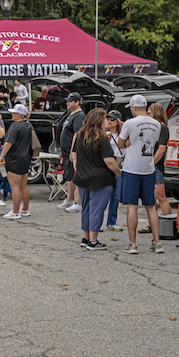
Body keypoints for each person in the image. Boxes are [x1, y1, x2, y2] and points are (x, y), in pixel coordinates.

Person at [118, 94, 164, 254]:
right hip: (148, 168)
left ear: (133, 107)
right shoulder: (156, 124)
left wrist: (128, 142)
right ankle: (157, 242)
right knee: (151, 206)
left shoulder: (130, 123)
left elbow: (120, 143)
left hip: (132, 167)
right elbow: (154, 142)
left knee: (132, 206)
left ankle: (132, 244)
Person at [72, 108, 122, 249]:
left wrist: (77, 170)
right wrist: (118, 172)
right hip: (100, 178)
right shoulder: (101, 138)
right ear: (99, 120)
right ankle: (93, 241)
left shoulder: (80, 136)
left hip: (82, 177)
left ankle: (85, 237)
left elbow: (74, 155)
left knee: (86, 208)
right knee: (97, 210)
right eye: (105, 118)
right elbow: (109, 160)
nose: (107, 121)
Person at [0, 104, 40, 219]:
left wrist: (2, 156)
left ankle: (15, 211)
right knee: (23, 186)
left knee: (15, 186)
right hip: (26, 157)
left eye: (14, 113)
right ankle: (25, 209)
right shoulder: (28, 125)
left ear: (19, 114)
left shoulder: (15, 126)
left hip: (14, 158)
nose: (12, 114)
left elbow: (8, 143)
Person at [138, 103, 170, 233]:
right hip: (148, 165)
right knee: (150, 198)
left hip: (155, 166)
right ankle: (152, 224)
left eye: (149, 112)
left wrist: (151, 163)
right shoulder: (151, 127)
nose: (147, 114)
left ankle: (168, 225)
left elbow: (162, 148)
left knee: (160, 196)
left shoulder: (162, 128)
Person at [57, 92, 85, 213]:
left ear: (77, 102)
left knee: (75, 174)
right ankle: (70, 198)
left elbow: (77, 134)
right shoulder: (70, 114)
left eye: (70, 101)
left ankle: (78, 202)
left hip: (72, 150)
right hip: (66, 150)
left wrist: (73, 151)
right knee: (69, 174)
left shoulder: (79, 116)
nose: (67, 103)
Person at [104, 110, 126, 231]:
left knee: (116, 197)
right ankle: (97, 222)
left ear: (117, 121)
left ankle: (111, 222)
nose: (109, 121)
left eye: (112, 119)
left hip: (119, 166)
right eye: (107, 118)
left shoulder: (122, 136)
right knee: (102, 196)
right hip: (105, 167)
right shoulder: (102, 135)